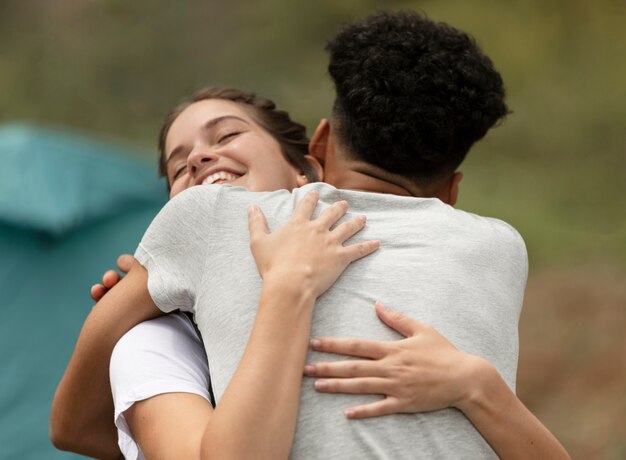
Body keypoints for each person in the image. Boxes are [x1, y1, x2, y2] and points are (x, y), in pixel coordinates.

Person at [51, 11, 569, 460]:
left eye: (228, 134)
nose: (201, 160)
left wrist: (133, 297)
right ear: (451, 191)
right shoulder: (501, 247)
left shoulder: (206, 218)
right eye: (178, 165)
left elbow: (71, 422)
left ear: (313, 155)